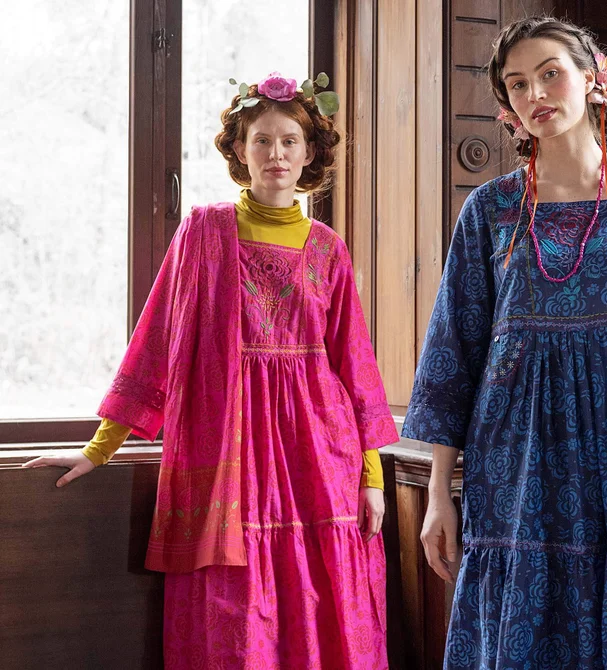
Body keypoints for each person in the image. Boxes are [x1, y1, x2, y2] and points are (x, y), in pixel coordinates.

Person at [24, 71, 398, 669]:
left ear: (309, 155)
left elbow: (353, 365)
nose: (276, 154)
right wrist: (98, 450)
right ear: (239, 150)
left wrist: (373, 477)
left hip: (319, 455)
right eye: (262, 141)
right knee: (234, 609)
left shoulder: (329, 247)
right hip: (230, 450)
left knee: (322, 600)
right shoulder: (204, 230)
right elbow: (155, 344)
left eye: (290, 142)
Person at [402, 16, 607, 669]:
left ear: (594, 81)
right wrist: (437, 492)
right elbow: (452, 351)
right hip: (514, 461)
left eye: (550, 73)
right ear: (507, 107)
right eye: (517, 84)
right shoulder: (489, 210)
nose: (535, 93)